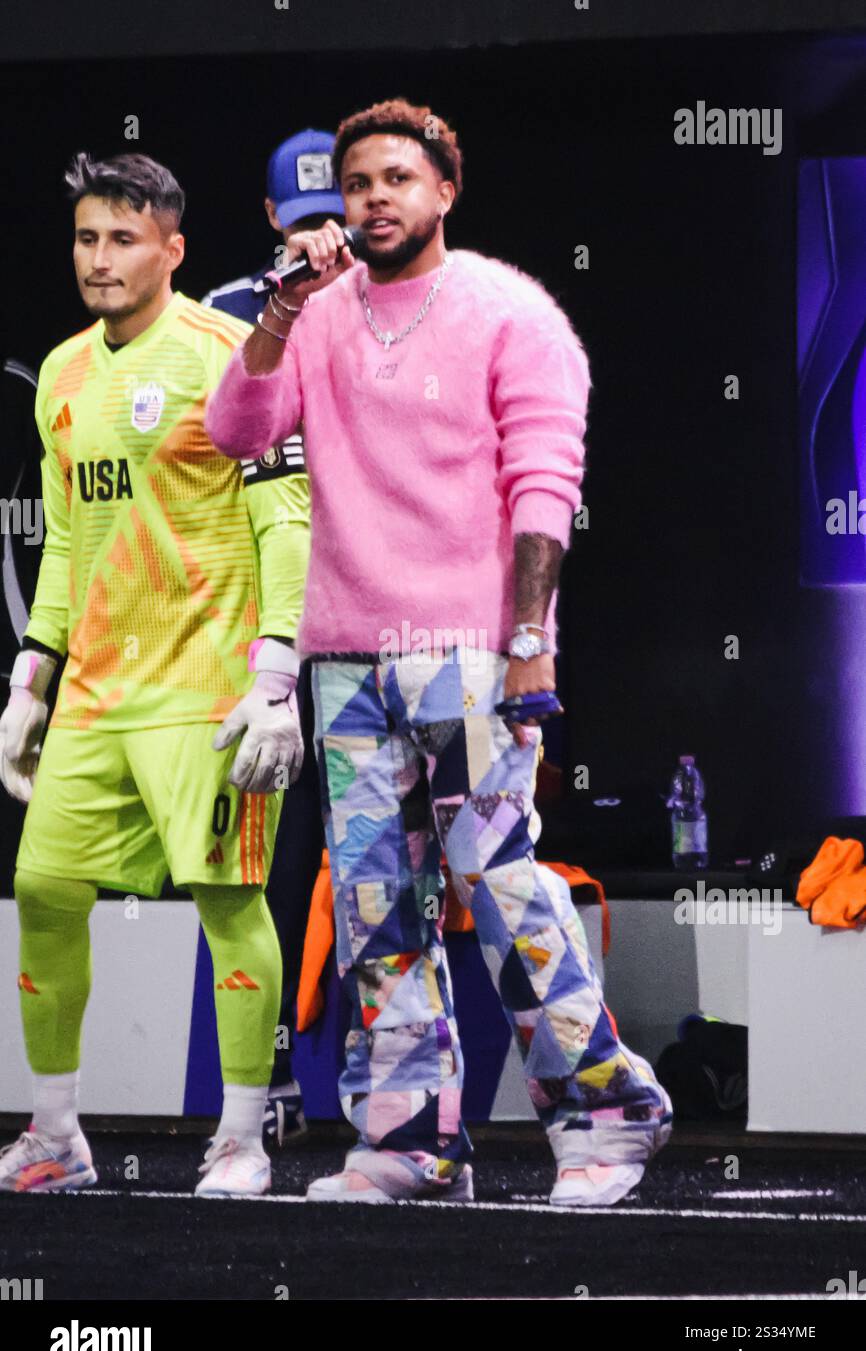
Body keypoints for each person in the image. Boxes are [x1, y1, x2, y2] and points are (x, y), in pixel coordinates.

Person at [206, 97, 673, 1207]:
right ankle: (409, 1140)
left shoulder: (509, 310)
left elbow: (543, 490)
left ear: (444, 191)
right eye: (356, 183)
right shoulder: (312, 317)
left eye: (396, 180)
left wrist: (528, 647)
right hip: (343, 663)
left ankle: (609, 1111)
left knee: (500, 888)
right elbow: (232, 432)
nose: (373, 199)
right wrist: (279, 308)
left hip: (467, 657)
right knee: (375, 911)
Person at [0, 151, 308, 1197]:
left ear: (171, 249)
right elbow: (66, 545)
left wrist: (275, 671)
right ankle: (55, 1132)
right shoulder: (61, 374)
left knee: (228, 898)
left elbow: (285, 518)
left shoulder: (235, 353)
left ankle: (238, 1136)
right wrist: (31, 678)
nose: (100, 258)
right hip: (92, 693)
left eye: (123, 239)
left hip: (204, 688)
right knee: (42, 886)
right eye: (87, 238)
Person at [201, 130, 345, 1147]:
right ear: (269, 222)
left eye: (332, 215)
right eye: (300, 223)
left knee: (390, 867)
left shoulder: (395, 311)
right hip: (271, 646)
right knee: (274, 866)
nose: (319, 237)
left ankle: (401, 1088)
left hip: (376, 630)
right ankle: (275, 1079)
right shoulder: (221, 316)